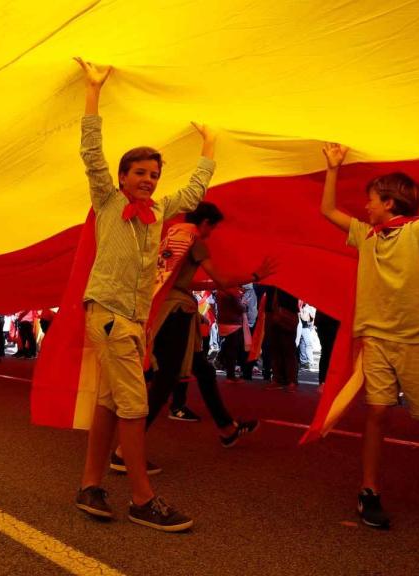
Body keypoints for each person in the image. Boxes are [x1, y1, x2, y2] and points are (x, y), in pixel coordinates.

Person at [72, 57, 215, 533]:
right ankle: (141, 498)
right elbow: (92, 152)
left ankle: (90, 485)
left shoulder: (159, 211)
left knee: (111, 404)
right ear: (122, 178)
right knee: (134, 407)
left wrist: (209, 147)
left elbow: (192, 193)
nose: (147, 179)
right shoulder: (108, 201)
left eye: (153, 174)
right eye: (139, 172)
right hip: (109, 314)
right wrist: (94, 91)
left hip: (132, 320)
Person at [320, 142, 419, 529]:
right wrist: (333, 168)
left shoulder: (418, 231)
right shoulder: (364, 234)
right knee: (376, 412)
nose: (365, 206)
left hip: (418, 340)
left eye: (371, 200)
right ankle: (368, 490)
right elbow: (327, 210)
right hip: (376, 338)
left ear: (389, 203)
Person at [127, 202, 272, 462]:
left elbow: (185, 281)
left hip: (165, 309)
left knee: (203, 370)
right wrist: (255, 275)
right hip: (177, 313)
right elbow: (222, 279)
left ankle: (227, 429)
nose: (211, 233)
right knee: (167, 378)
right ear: (205, 223)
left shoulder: (173, 236)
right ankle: (126, 450)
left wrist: (213, 285)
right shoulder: (194, 240)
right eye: (212, 228)